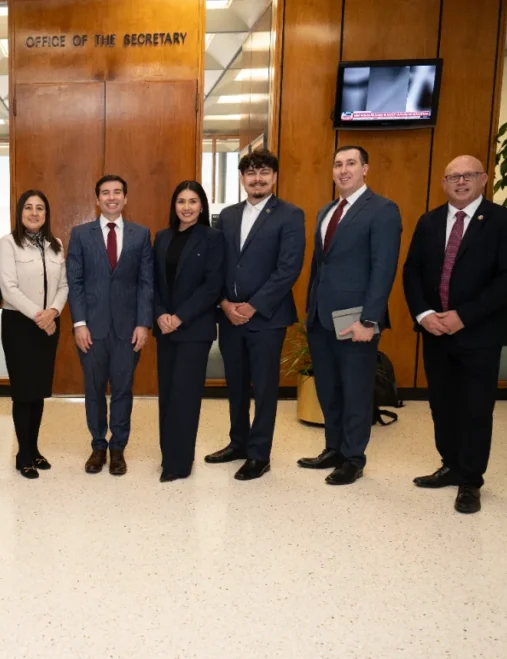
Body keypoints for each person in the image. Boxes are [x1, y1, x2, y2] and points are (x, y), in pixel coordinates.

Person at [402, 155, 507, 514]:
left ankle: (470, 480)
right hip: (435, 331)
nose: (460, 182)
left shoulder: (506, 222)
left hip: (480, 333)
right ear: (443, 183)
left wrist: (463, 316)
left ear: (483, 179)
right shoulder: (429, 221)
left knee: (475, 408)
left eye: (468, 175)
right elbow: (412, 272)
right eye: (453, 176)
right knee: (441, 404)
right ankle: (450, 464)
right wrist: (424, 314)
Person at [297, 146, 402, 485]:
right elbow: (319, 265)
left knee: (355, 391)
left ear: (365, 169)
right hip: (321, 318)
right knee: (328, 389)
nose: (344, 170)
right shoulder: (327, 211)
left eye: (351, 164)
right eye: (338, 164)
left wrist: (370, 320)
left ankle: (354, 458)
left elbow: (383, 268)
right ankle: (334, 449)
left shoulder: (383, 210)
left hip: (356, 318)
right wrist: (310, 309)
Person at [205, 150, 306, 481]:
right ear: (242, 178)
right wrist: (224, 303)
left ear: (274, 177)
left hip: (267, 318)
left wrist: (253, 306)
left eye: (264, 172)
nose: (257, 178)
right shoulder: (228, 215)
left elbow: (288, 268)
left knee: (263, 388)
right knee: (235, 385)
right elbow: (217, 264)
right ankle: (238, 442)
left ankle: (259, 454)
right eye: (251, 173)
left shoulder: (290, 214)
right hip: (230, 317)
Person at [67, 174, 154, 476]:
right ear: (97, 199)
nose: (112, 197)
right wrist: (79, 323)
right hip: (91, 328)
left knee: (123, 390)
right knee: (93, 389)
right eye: (105, 193)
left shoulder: (141, 235)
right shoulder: (80, 234)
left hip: (128, 330)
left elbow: (146, 282)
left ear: (126, 198)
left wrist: (144, 323)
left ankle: (118, 448)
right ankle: (97, 446)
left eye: (117, 192)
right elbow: (74, 282)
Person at [152, 181, 224, 482]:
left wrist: (179, 316)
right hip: (165, 328)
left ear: (202, 206)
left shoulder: (213, 238)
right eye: (181, 201)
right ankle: (168, 454)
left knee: (186, 395)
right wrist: (160, 315)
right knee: (167, 394)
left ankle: (180, 464)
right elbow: (153, 282)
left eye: (193, 201)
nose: (186, 207)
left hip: (194, 329)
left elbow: (212, 286)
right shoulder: (162, 237)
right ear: (174, 205)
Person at [0, 190, 69, 479]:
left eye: (40, 208)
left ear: (46, 214)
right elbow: (8, 289)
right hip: (20, 325)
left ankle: (34, 449)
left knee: (38, 392)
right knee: (23, 393)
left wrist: (52, 312)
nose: (35, 213)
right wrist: (41, 316)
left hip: (49, 324)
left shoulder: (56, 245)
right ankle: (22, 454)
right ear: (20, 212)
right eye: (29, 207)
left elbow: (64, 286)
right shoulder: (8, 244)